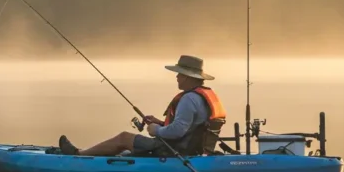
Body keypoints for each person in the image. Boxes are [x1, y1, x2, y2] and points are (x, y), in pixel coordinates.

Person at [57, 55, 226, 157]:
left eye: (179, 74)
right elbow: (189, 127)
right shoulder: (201, 96)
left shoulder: (189, 99)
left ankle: (77, 155)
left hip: (173, 151)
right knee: (127, 143)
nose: (176, 78)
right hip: (190, 149)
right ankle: (88, 152)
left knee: (124, 138)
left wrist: (156, 130)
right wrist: (160, 123)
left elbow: (178, 131)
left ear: (188, 77)